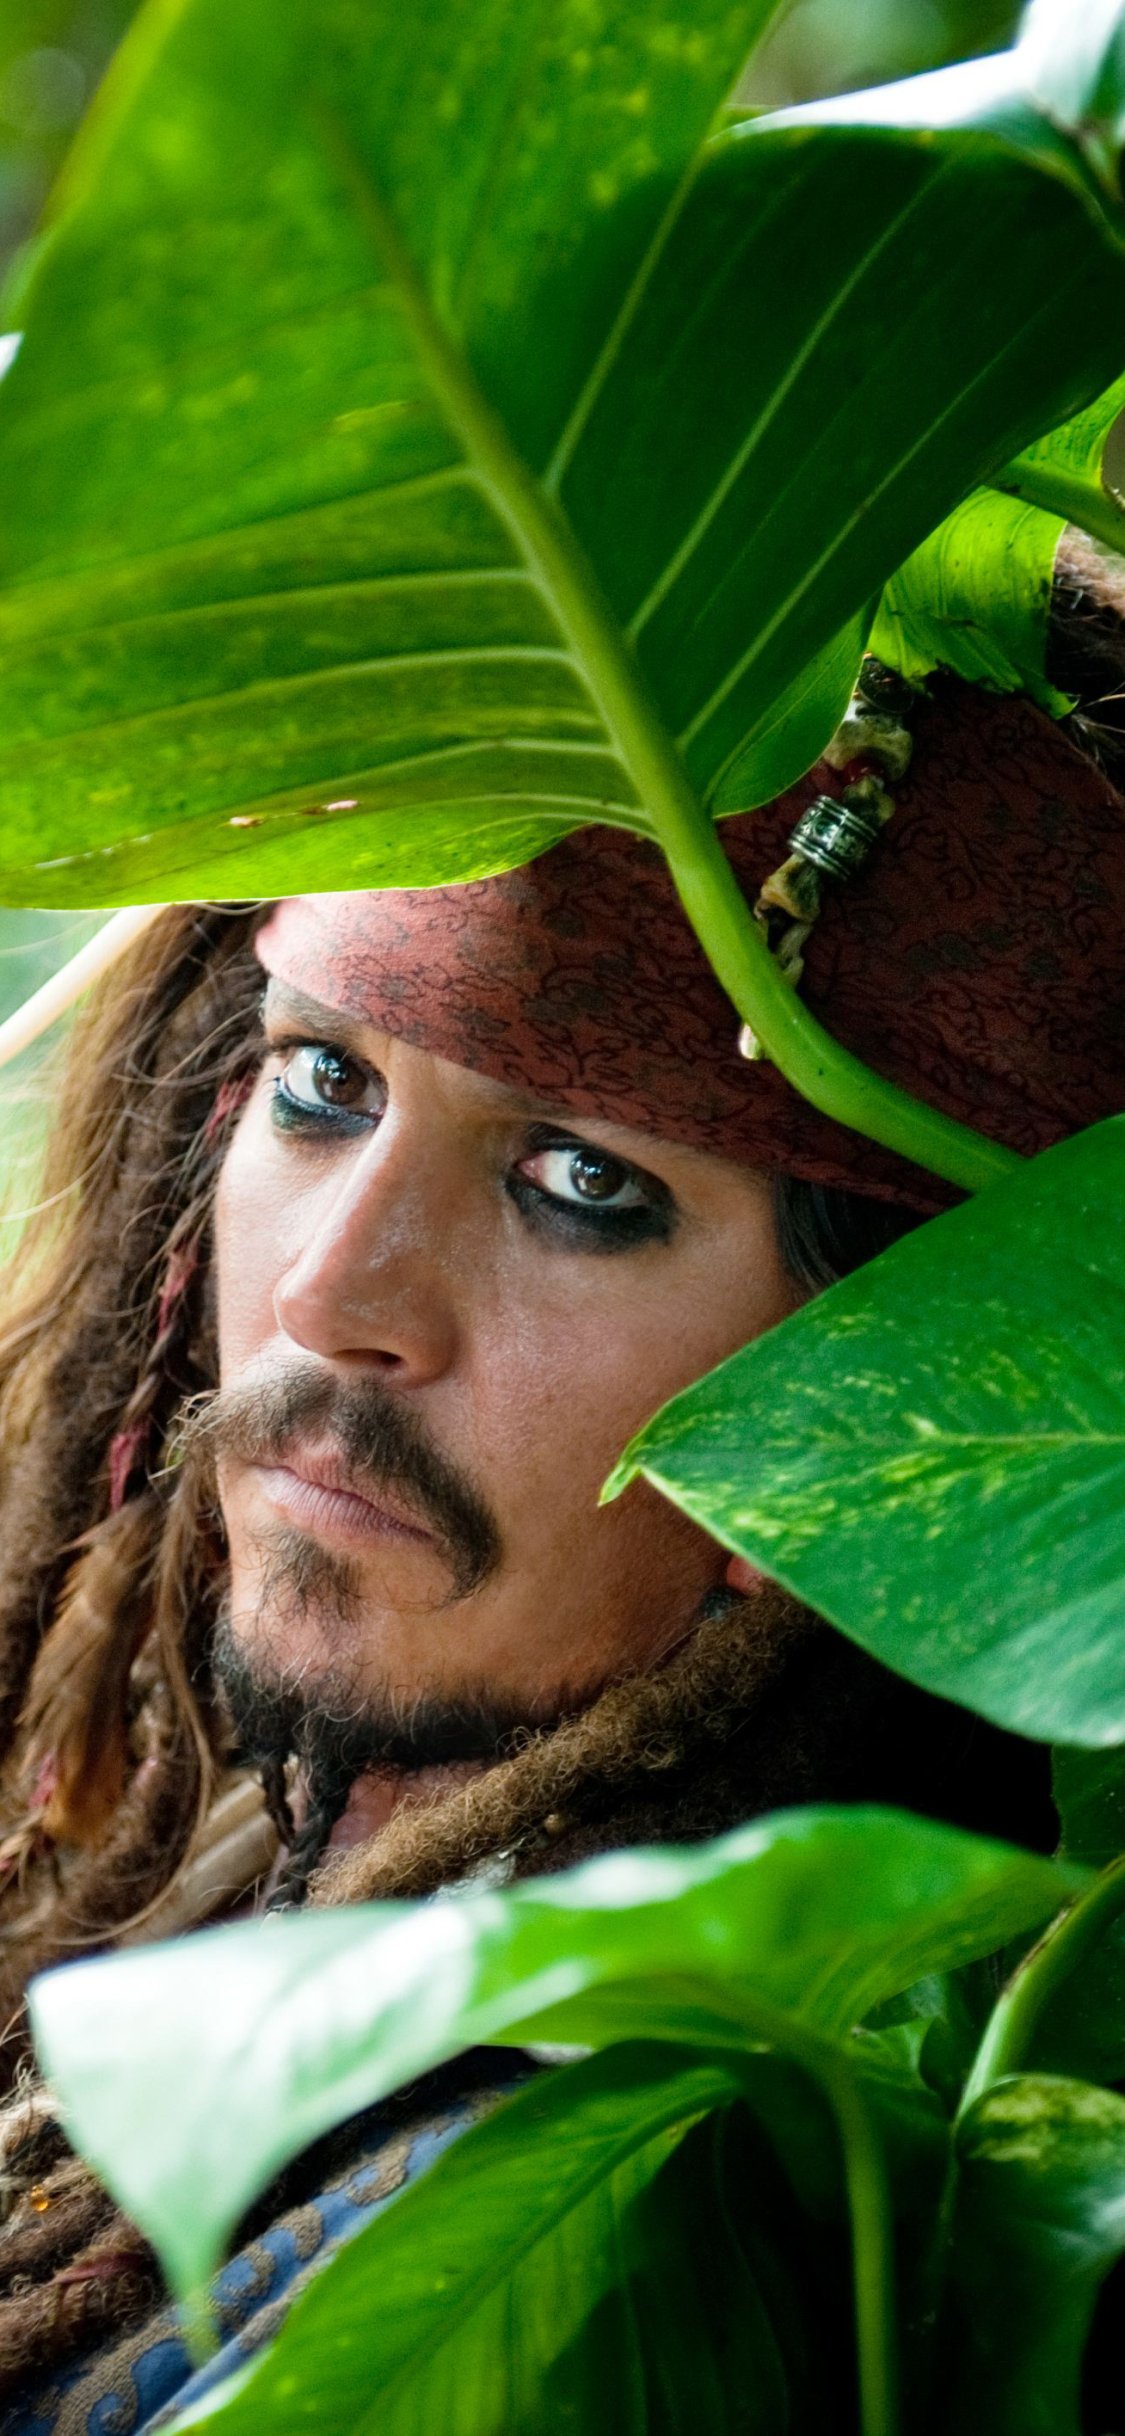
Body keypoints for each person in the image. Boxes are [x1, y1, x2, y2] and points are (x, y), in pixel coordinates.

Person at [0, 540, 1122, 2426]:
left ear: (911, 1394)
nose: (329, 1298)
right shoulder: (157, 1843)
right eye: (322, 1088)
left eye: (587, 1188)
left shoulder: (626, 2236)